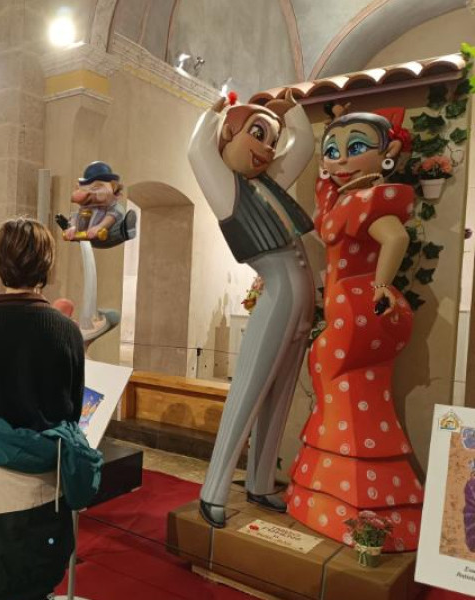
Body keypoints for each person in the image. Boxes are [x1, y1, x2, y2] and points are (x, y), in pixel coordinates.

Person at [286, 105, 422, 552]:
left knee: (344, 394)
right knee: (346, 395)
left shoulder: (369, 201)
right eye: (333, 151)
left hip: (360, 307)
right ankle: (350, 500)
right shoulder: (345, 200)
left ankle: (349, 500)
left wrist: (381, 285)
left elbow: (396, 238)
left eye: (356, 147)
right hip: (351, 308)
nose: (341, 160)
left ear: (389, 152)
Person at [187, 89, 315, 528]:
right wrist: (216, 107)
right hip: (278, 295)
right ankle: (214, 490)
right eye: (257, 135)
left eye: (272, 141)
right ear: (229, 134)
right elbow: (197, 149)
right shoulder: (226, 187)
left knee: (279, 398)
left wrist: (288, 109)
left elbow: (305, 143)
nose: (267, 148)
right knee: (248, 394)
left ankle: (261, 483)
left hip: (300, 305)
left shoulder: (268, 182)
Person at [0, 218, 86, 600]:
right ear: (48, 264)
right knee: (37, 574)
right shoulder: (67, 331)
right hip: (44, 474)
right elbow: (71, 411)